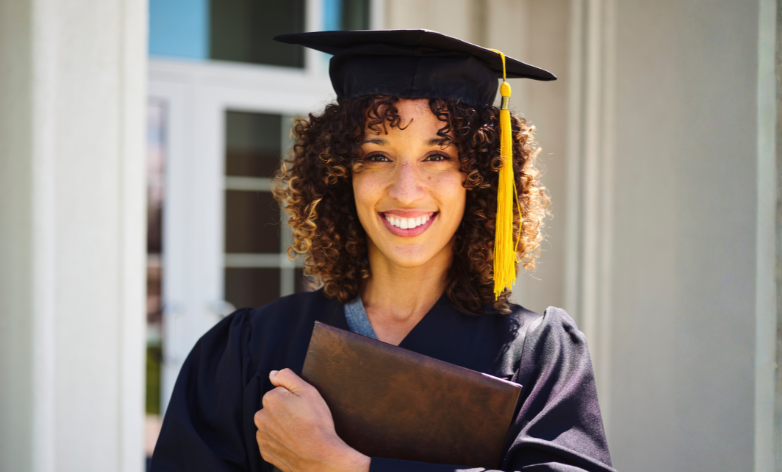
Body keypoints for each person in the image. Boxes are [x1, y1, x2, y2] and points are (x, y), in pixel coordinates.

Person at [150, 30, 615, 472]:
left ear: (481, 177)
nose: (406, 191)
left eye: (438, 155)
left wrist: (341, 467)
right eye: (377, 156)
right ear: (339, 174)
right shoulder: (253, 346)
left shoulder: (536, 353)